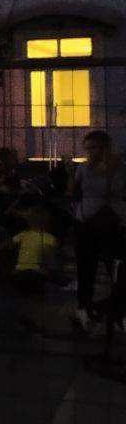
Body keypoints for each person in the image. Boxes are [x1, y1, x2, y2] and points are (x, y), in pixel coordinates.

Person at [69, 130, 126, 334]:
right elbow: (75, 192)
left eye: (93, 148)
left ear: (104, 148)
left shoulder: (119, 169)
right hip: (86, 224)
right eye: (87, 149)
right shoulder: (83, 169)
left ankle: (117, 312)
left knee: (117, 271)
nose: (89, 153)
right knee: (86, 269)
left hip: (112, 224)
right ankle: (84, 309)